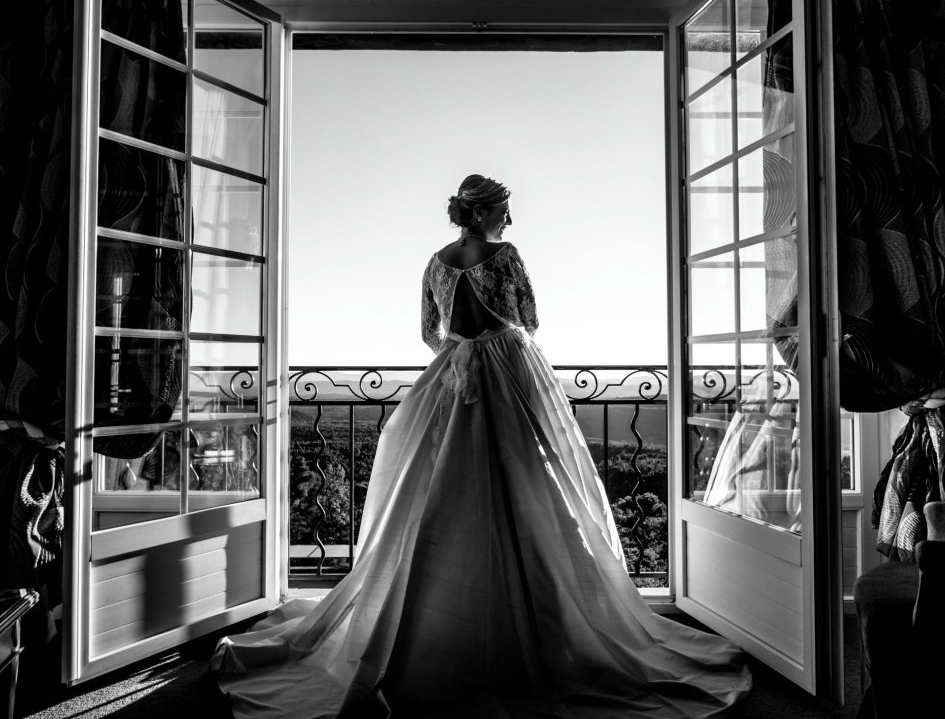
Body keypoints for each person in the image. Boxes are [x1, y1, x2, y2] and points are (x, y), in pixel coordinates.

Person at [210, 175, 752, 718]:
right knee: (534, 480)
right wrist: (501, 344)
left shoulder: (437, 261)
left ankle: (441, 624)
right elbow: (531, 319)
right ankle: (536, 625)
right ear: (487, 211)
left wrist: (462, 349)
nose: (509, 220)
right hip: (507, 370)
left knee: (441, 491)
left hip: (453, 370)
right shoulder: (506, 255)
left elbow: (429, 332)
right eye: (504, 209)